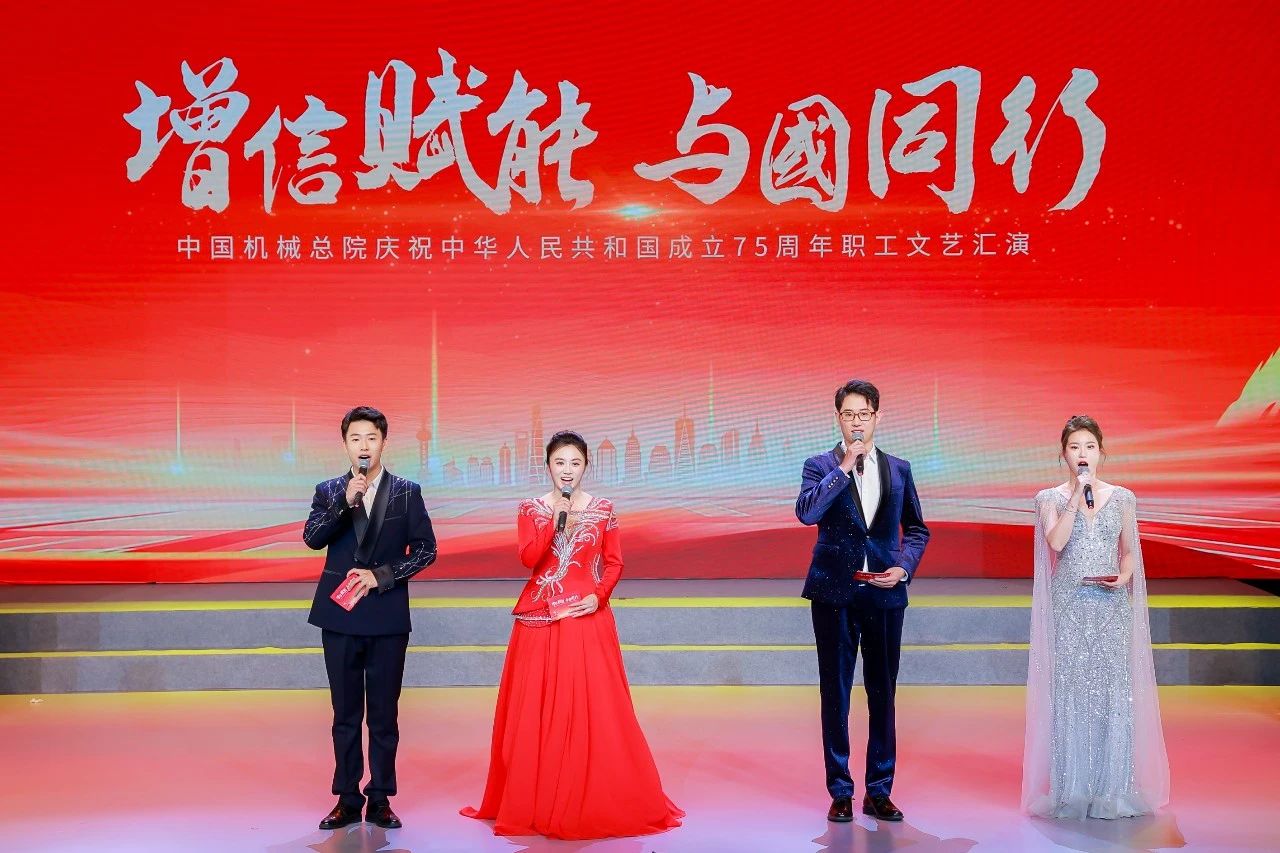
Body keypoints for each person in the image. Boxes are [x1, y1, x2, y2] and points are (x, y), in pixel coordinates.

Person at [462, 430, 683, 840]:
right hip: (539, 619)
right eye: (560, 462)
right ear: (548, 465)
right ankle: (536, 800)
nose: (567, 470)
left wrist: (599, 597)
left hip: (586, 618)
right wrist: (555, 520)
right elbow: (529, 558)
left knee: (591, 708)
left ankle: (589, 796)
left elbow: (614, 563)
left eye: (575, 463)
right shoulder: (531, 508)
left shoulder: (603, 509)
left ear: (585, 466)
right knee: (536, 710)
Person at [795, 379, 930, 823]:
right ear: (838, 418)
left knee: (882, 693)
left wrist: (903, 568)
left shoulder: (899, 469)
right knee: (835, 693)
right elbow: (807, 513)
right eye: (849, 414)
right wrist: (844, 466)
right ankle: (840, 790)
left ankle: (879, 790)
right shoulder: (820, 466)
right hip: (834, 594)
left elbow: (916, 529)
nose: (857, 422)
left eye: (864, 414)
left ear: (877, 417)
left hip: (884, 595)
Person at [1022, 415, 1169, 819]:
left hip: (1110, 606)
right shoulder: (1048, 499)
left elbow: (1129, 551)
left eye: (1089, 446)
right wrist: (1076, 496)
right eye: (1074, 448)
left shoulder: (1123, 498)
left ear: (1101, 452)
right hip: (1069, 605)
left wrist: (1123, 576)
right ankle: (1072, 787)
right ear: (1063, 455)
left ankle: (1112, 789)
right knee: (1071, 690)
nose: (1082, 454)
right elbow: (1056, 543)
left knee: (1112, 692)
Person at [303, 406, 438, 830]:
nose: (364, 446)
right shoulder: (329, 490)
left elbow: (427, 550)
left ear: (384, 442)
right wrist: (344, 504)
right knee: (344, 714)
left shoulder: (406, 492)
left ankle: (380, 797)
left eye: (372, 438)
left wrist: (381, 576)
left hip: (385, 615)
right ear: (345, 444)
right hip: (339, 617)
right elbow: (312, 539)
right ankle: (347, 798)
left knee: (383, 714)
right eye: (356, 438)